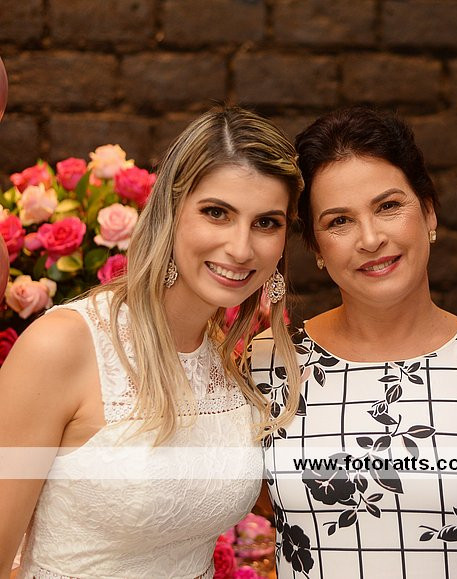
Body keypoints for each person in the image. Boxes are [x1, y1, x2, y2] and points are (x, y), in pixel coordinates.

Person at [0, 106, 303, 578]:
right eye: (216, 213)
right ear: (170, 211)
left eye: (266, 222)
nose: (241, 248)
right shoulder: (64, 345)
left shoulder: (229, 363)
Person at [250, 106, 457, 578]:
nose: (370, 239)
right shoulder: (269, 362)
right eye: (339, 221)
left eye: (388, 206)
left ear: (428, 212)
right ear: (316, 248)